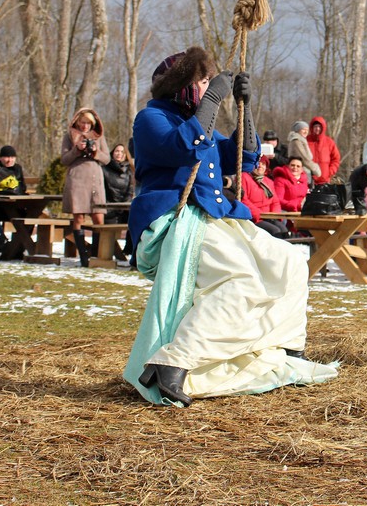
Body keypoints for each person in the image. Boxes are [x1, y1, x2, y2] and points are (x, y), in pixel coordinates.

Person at [123, 46, 337, 407]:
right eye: (201, 81)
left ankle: (286, 347)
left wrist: (244, 106)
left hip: (216, 216)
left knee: (290, 262)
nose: (208, 88)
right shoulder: (152, 119)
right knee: (240, 283)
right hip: (177, 220)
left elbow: (247, 155)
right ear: (182, 85)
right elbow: (186, 145)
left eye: (210, 82)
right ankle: (172, 362)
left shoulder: (202, 124)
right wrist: (215, 97)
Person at [61, 108, 111, 267]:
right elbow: (64, 159)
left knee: (98, 217)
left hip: (95, 179)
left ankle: (96, 254)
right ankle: (83, 255)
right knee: (79, 217)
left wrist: (95, 151)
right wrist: (77, 150)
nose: (85, 126)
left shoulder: (98, 136)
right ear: (77, 122)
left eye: (89, 123)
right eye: (83, 122)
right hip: (77, 179)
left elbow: (107, 159)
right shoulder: (69, 136)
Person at [241, 156, 288, 238]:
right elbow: (244, 200)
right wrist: (260, 214)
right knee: (275, 231)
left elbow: (275, 201)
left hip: (268, 217)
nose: (260, 166)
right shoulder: (244, 177)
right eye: (258, 163)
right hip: (254, 217)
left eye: (263, 164)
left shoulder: (268, 181)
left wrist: (274, 215)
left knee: (284, 230)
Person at [307, 116, 341, 185]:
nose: (317, 129)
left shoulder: (329, 142)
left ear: (323, 128)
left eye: (319, 127)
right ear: (312, 128)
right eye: (315, 126)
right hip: (308, 180)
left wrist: (329, 172)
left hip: (324, 180)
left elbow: (336, 159)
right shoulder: (306, 141)